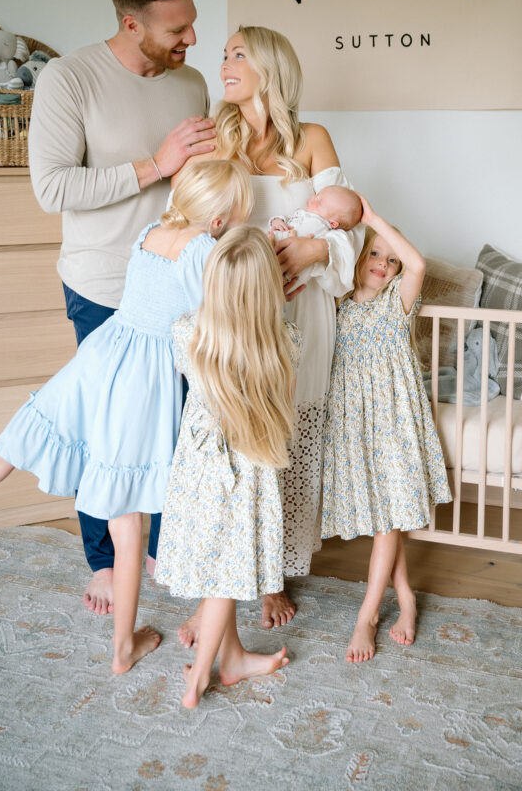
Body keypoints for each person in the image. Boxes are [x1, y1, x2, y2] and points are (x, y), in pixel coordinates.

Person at [0, 161, 252, 674]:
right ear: (221, 218)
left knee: (28, 429)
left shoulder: (151, 232)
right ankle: (121, 647)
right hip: (141, 379)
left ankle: (124, 642)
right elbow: (213, 326)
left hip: (103, 351)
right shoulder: (201, 251)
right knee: (128, 518)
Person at [28, 0, 217, 616]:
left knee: (175, 423)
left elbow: (198, 183)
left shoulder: (190, 84)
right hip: (103, 284)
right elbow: (53, 186)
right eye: (177, 29)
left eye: (192, 24)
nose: (191, 40)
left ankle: (164, 547)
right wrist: (153, 166)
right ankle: (105, 560)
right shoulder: (68, 80)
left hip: (179, 287)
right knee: (108, 430)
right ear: (131, 23)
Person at [176, 25, 363, 636]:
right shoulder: (216, 138)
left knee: (284, 433)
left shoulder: (312, 139)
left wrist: (312, 251)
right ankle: (227, 571)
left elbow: (352, 222)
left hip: (300, 308)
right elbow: (193, 212)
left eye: (237, 54)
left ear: (270, 67)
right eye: (224, 53)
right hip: (236, 310)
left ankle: (273, 573)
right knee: (234, 435)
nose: (224, 63)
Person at [155, 226, 301, 708]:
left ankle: (232, 658)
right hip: (243, 476)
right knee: (225, 578)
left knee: (226, 567)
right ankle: (199, 678)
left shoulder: (186, 333)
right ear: (268, 290)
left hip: (198, 472)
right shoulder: (283, 344)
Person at [320, 197, 451, 663]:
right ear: (357, 257)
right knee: (383, 518)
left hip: (393, 425)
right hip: (356, 425)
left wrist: (374, 220)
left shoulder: (398, 303)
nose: (383, 263)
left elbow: (416, 262)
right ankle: (407, 597)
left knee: (390, 519)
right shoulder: (337, 306)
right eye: (374, 253)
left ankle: (367, 615)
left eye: (389, 259)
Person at [268, 186, 363, 284]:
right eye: (316, 195)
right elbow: (287, 219)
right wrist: (277, 221)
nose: (313, 198)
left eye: (319, 202)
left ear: (333, 223)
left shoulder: (320, 226)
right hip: (272, 247)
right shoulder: (304, 212)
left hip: (282, 257)